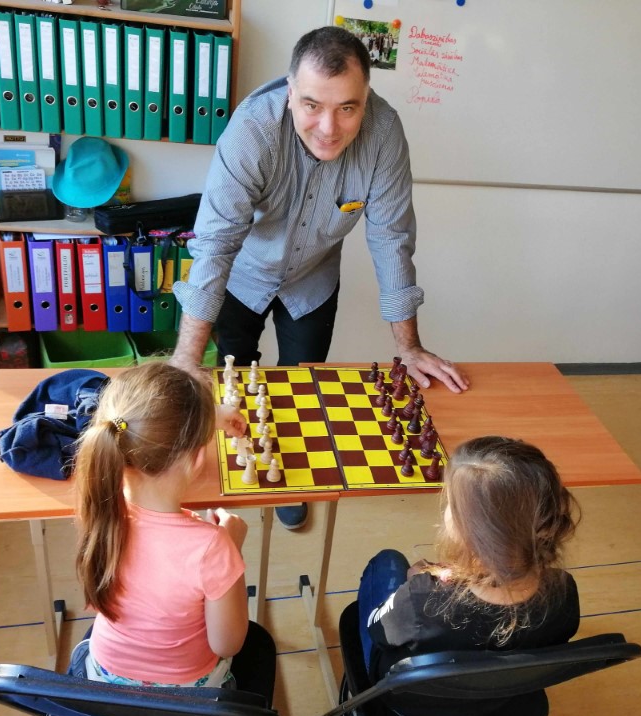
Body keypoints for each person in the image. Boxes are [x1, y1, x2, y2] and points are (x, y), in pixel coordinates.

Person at [170, 26, 469, 532]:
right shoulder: (252, 130)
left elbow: (392, 239)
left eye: (347, 108)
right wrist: (185, 358)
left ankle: (289, 481)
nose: (328, 127)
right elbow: (216, 244)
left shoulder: (385, 135)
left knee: (302, 388)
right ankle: (241, 467)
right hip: (240, 276)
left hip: (313, 280)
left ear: (366, 97)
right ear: (290, 92)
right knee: (232, 378)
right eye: (312, 105)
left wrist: (409, 347)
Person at [72, 363, 250, 716]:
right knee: (223, 667)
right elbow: (227, 644)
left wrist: (209, 419)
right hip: (183, 689)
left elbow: (145, 431)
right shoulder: (212, 547)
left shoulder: (101, 508)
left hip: (105, 673)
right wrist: (232, 549)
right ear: (198, 458)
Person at [358, 436, 581, 716]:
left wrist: (410, 584)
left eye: (451, 505)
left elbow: (377, 632)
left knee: (387, 561)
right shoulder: (564, 594)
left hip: (407, 703)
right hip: (497, 705)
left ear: (469, 531)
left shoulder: (421, 597)